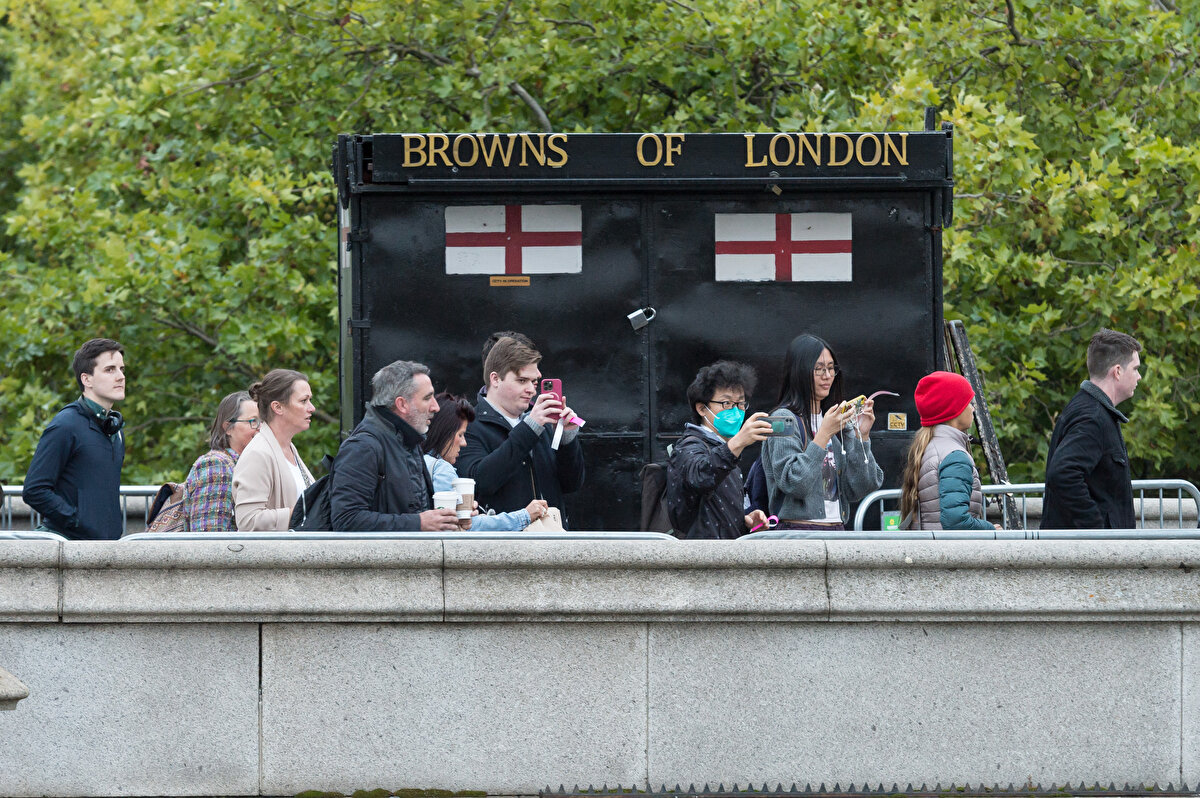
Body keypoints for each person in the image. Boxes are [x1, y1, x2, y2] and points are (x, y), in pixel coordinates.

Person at [456, 335, 585, 525]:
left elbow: (571, 483)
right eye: (522, 380)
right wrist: (529, 429)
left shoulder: (541, 422)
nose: (531, 390)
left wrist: (566, 436)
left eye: (533, 382)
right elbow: (479, 483)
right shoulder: (470, 425)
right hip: (504, 546)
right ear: (495, 379)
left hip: (551, 541)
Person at [760, 333, 883, 530]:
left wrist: (862, 437)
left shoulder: (833, 420)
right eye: (818, 369)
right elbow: (795, 483)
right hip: (798, 531)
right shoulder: (781, 420)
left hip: (837, 528)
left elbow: (862, 486)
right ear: (799, 371)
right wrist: (823, 435)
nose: (827, 376)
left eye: (831, 368)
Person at [329, 360, 460, 532]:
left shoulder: (410, 441)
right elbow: (346, 520)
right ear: (402, 404)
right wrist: (418, 523)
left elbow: (415, 512)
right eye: (427, 398)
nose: (436, 407)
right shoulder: (363, 447)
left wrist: (449, 516)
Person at [23, 338, 127, 540]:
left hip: (106, 549)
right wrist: (76, 521)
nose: (121, 377)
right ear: (87, 379)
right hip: (68, 548)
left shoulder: (116, 430)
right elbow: (34, 490)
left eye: (122, 369)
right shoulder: (65, 425)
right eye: (110, 369)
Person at [1043, 328, 1142, 530]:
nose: (1139, 376)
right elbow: (1063, 473)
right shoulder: (1092, 418)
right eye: (1135, 368)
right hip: (1088, 554)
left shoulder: (1092, 410)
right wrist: (1097, 531)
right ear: (1117, 371)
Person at [666, 361, 772, 539]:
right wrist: (736, 444)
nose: (736, 411)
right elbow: (701, 477)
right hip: (703, 558)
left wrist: (744, 520)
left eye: (740, 404)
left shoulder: (723, 449)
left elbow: (716, 509)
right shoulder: (689, 446)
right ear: (701, 408)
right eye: (726, 403)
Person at [422, 393, 549, 531]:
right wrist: (525, 516)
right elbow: (469, 527)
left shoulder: (419, 461)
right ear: (444, 432)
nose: (464, 443)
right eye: (460, 435)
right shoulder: (441, 468)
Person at [899, 371, 999, 531]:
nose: (972, 409)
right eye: (968, 403)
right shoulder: (954, 456)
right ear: (954, 409)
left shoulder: (929, 445)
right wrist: (991, 530)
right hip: (949, 552)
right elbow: (956, 521)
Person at [231, 369, 315, 531]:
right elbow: (248, 521)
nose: (312, 408)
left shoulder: (289, 448)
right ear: (278, 407)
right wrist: (302, 511)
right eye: (304, 401)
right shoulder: (258, 454)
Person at [182, 391, 260, 532]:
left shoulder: (247, 464)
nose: (260, 428)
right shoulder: (215, 466)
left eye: (263, 421)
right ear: (228, 427)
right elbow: (209, 537)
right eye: (253, 421)